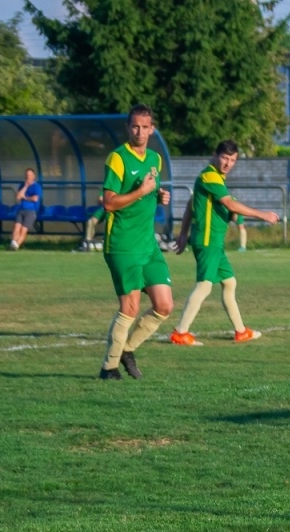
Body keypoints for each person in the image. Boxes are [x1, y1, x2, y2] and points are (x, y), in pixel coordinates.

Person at [169, 139, 281, 345]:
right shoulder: (210, 175)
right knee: (204, 286)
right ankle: (180, 332)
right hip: (207, 240)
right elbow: (230, 204)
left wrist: (183, 233)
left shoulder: (215, 178)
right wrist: (262, 214)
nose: (228, 163)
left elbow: (189, 205)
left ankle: (240, 331)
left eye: (233, 160)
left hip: (214, 242)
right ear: (215, 155)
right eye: (225, 158)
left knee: (229, 282)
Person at [98, 105, 173, 380]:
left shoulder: (155, 158)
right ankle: (109, 368)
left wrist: (159, 195)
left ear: (152, 129)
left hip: (147, 244)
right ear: (128, 128)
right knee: (129, 307)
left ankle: (127, 349)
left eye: (145, 127)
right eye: (135, 127)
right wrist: (142, 190)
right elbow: (108, 203)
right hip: (122, 244)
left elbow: (151, 191)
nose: (140, 132)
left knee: (164, 305)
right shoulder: (117, 158)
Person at [8, 168, 41, 250]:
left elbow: (35, 199)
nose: (28, 177)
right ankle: (13, 243)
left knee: (23, 230)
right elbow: (18, 197)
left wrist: (25, 197)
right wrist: (26, 186)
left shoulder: (36, 186)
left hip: (31, 211)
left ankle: (16, 246)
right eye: (26, 175)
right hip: (21, 210)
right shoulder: (22, 185)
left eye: (30, 175)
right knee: (16, 227)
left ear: (34, 176)